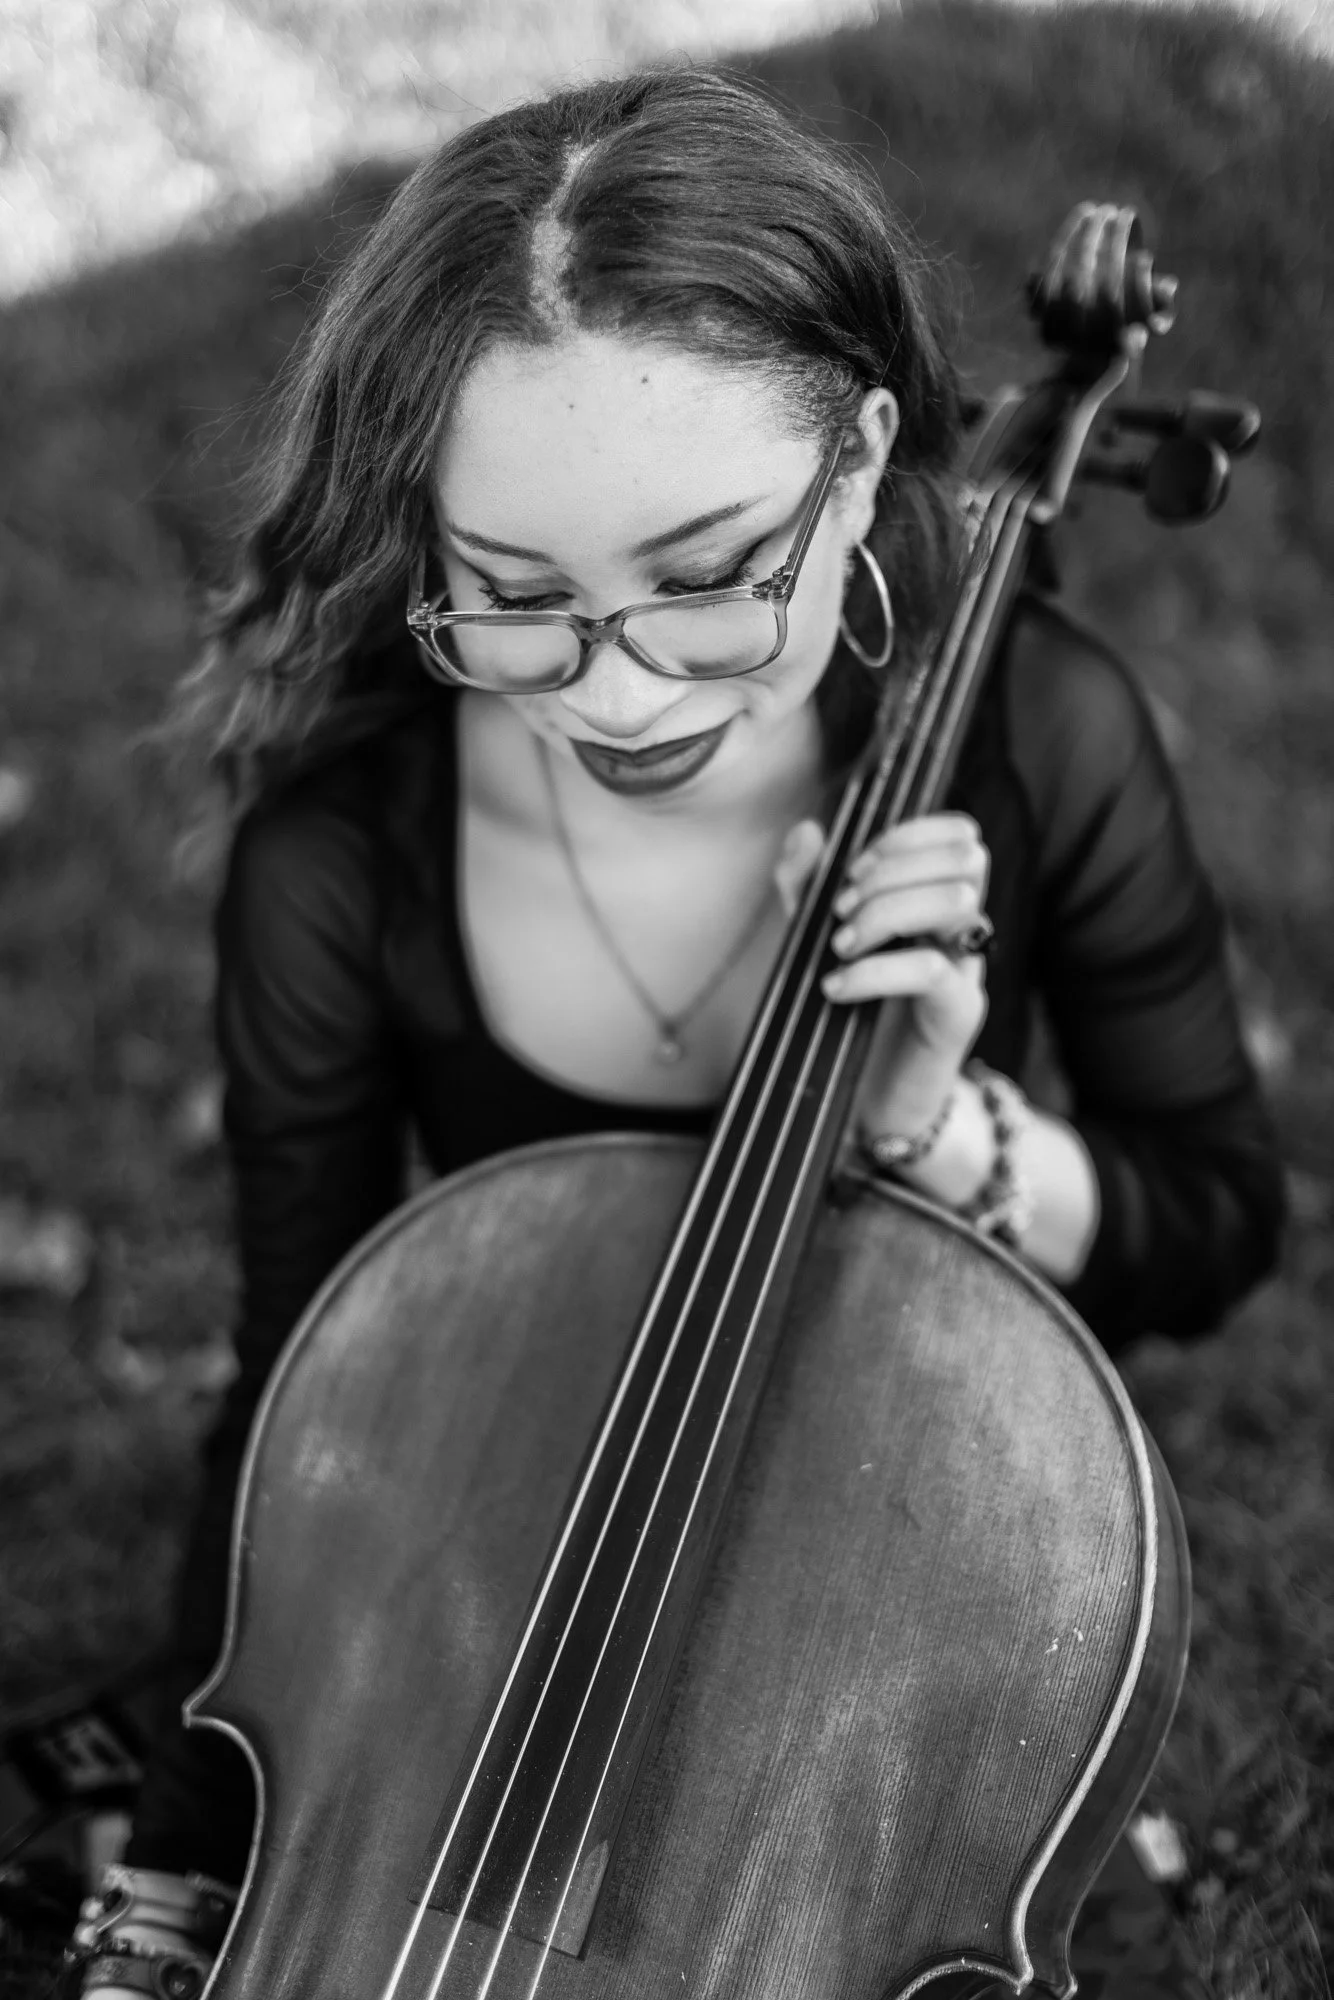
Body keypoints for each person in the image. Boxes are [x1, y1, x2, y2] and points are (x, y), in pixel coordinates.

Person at [69, 66, 1283, 2000]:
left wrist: (937, 1128)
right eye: (516, 600)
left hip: (870, 1564)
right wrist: (178, 1898)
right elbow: (299, 1377)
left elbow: (1210, 1218)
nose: (617, 688)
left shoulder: (1041, 735)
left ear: (869, 448)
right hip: (488, 1520)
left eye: (711, 582)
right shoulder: (342, 862)